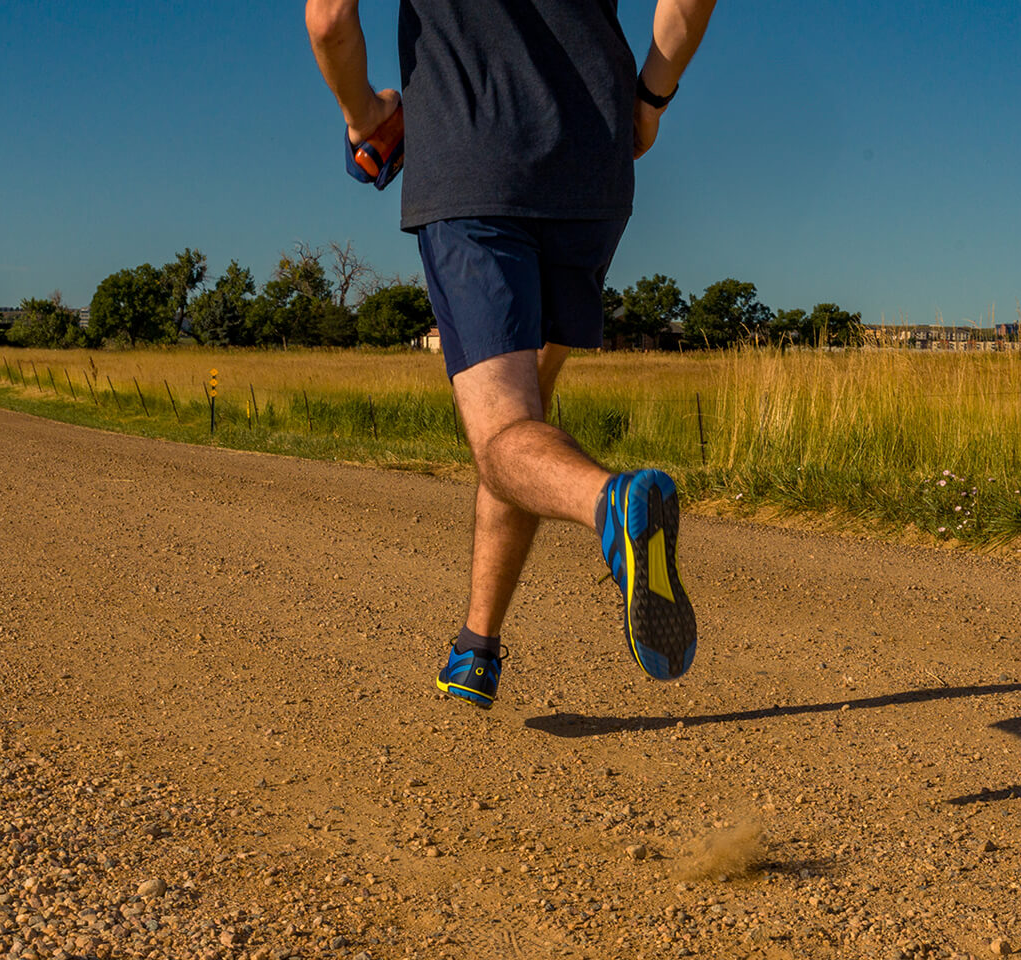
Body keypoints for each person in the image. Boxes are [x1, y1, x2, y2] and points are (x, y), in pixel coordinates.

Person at [307, 0, 716, 708]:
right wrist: (651, 96)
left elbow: (330, 20)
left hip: (474, 171)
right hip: (592, 169)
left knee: (501, 434)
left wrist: (366, 115)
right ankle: (477, 644)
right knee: (525, 417)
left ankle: (610, 504)